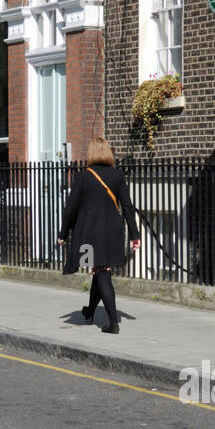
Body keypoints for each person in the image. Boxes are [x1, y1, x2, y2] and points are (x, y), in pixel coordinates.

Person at [57, 136, 140, 334]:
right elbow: (127, 206)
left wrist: (63, 233)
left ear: (91, 153)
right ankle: (90, 311)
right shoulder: (117, 175)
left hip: (90, 232)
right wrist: (134, 235)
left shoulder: (83, 176)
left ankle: (113, 323)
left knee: (101, 272)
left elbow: (70, 209)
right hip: (112, 231)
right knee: (100, 269)